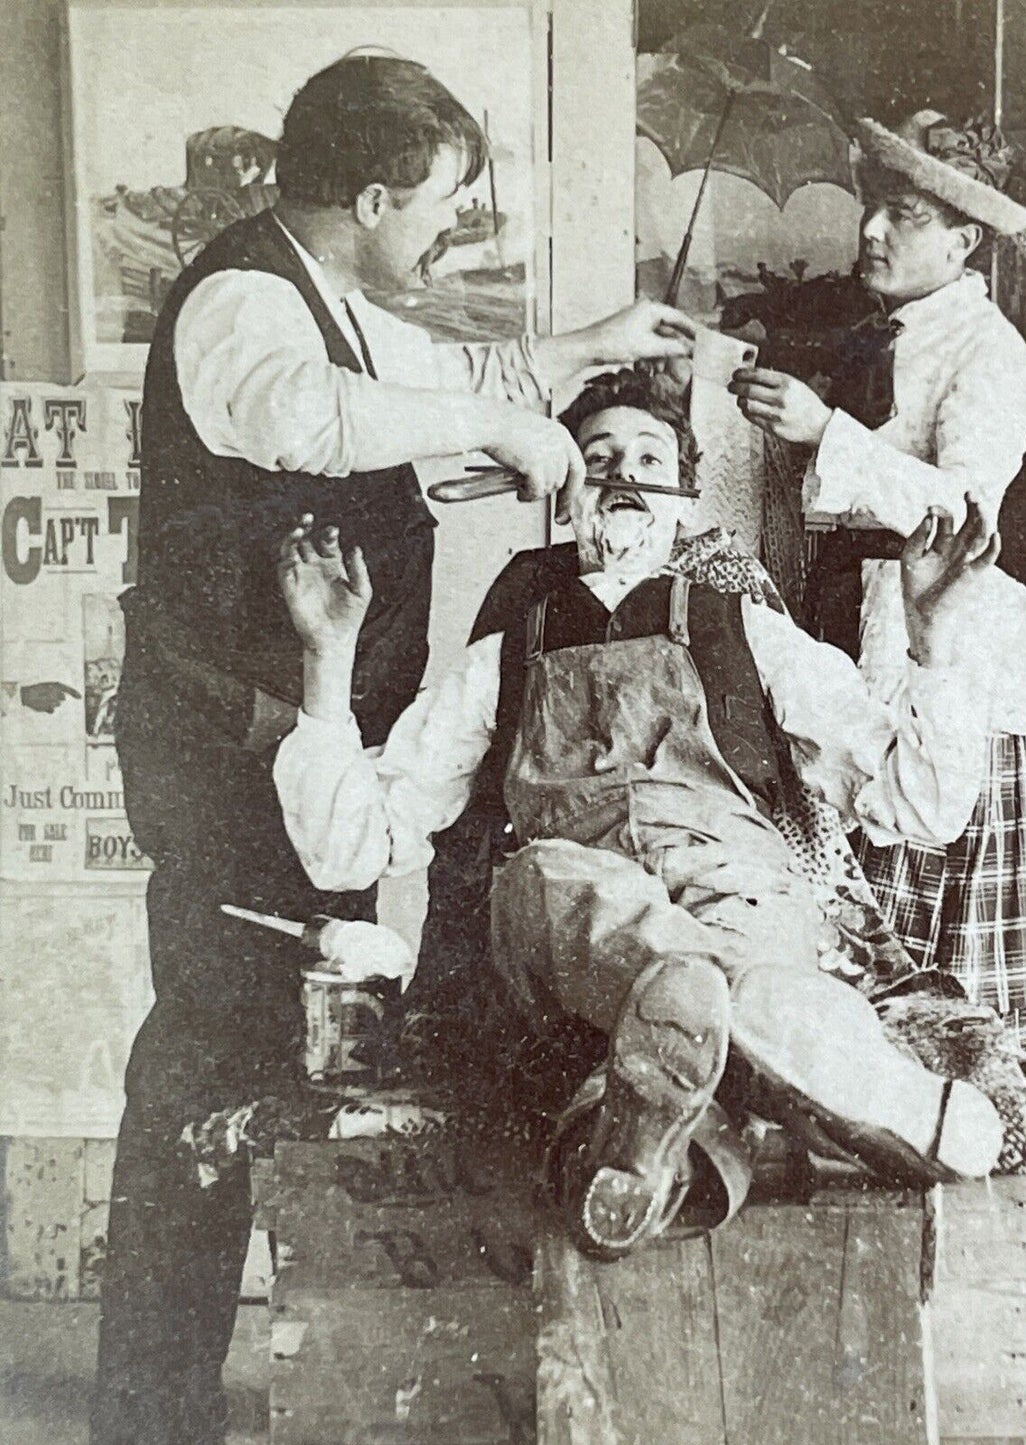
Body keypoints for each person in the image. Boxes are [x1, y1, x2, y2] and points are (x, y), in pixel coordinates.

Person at [95, 54, 696, 1445]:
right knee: (208, 1051)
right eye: (441, 204)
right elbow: (317, 420)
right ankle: (148, 1406)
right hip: (221, 743)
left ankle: (215, 1383)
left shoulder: (334, 298)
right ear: (368, 197)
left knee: (281, 1032)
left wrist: (584, 351)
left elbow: (456, 369)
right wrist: (502, 426)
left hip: (292, 743)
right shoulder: (244, 303)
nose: (453, 228)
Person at [272, 367, 1009, 1260]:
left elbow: (917, 805)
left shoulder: (749, 629)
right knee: (546, 878)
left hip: (737, 889)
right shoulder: (504, 655)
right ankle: (819, 1061)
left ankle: (651, 1143)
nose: (623, 474)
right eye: (598, 457)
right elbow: (355, 850)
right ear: (566, 495)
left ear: (686, 499)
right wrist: (327, 658)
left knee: (751, 962)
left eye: (649, 457)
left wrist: (932, 640)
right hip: (568, 922)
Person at [730, 111, 1026, 1324]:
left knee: (985, 959)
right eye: (873, 202)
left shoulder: (988, 352)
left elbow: (963, 512)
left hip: (962, 654)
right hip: (851, 634)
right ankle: (901, 1260)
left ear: (963, 238)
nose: (871, 228)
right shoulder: (867, 330)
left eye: (903, 215)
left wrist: (829, 437)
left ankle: (1018, 1265)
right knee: (884, 938)